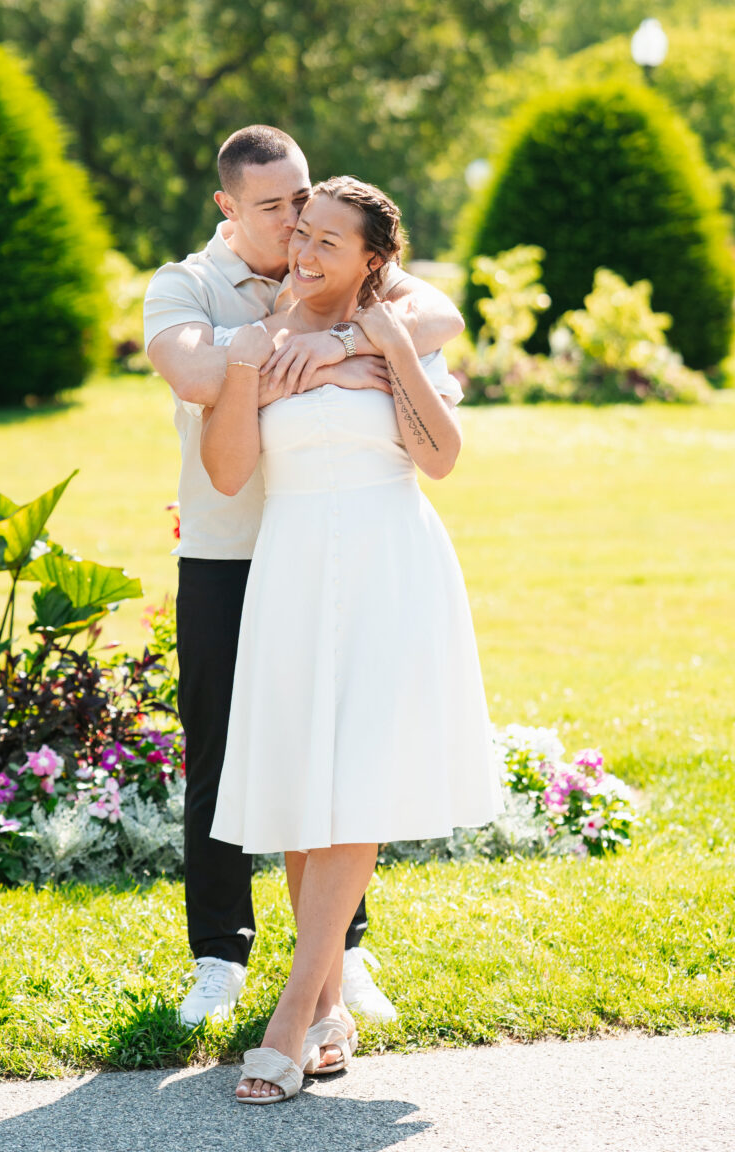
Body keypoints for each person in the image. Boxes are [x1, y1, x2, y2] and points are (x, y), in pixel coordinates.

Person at [143, 126, 465, 1028]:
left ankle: (338, 962)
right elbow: (199, 373)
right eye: (276, 207)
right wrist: (290, 340)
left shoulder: (340, 264)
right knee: (224, 757)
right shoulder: (186, 286)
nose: (295, 222)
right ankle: (219, 956)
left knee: (339, 755)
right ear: (229, 208)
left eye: (304, 200)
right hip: (229, 548)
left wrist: (344, 345)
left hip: (341, 548)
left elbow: (436, 315)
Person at [198, 176, 503, 1104]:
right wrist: (257, 366)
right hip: (293, 568)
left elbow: (442, 457)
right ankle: (330, 1010)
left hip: (389, 568)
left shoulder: (397, 325)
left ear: (375, 258)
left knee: (352, 788)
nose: (307, 251)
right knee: (300, 795)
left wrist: (380, 352)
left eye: (332, 241)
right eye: (304, 234)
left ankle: (289, 1019)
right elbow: (224, 474)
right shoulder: (258, 338)